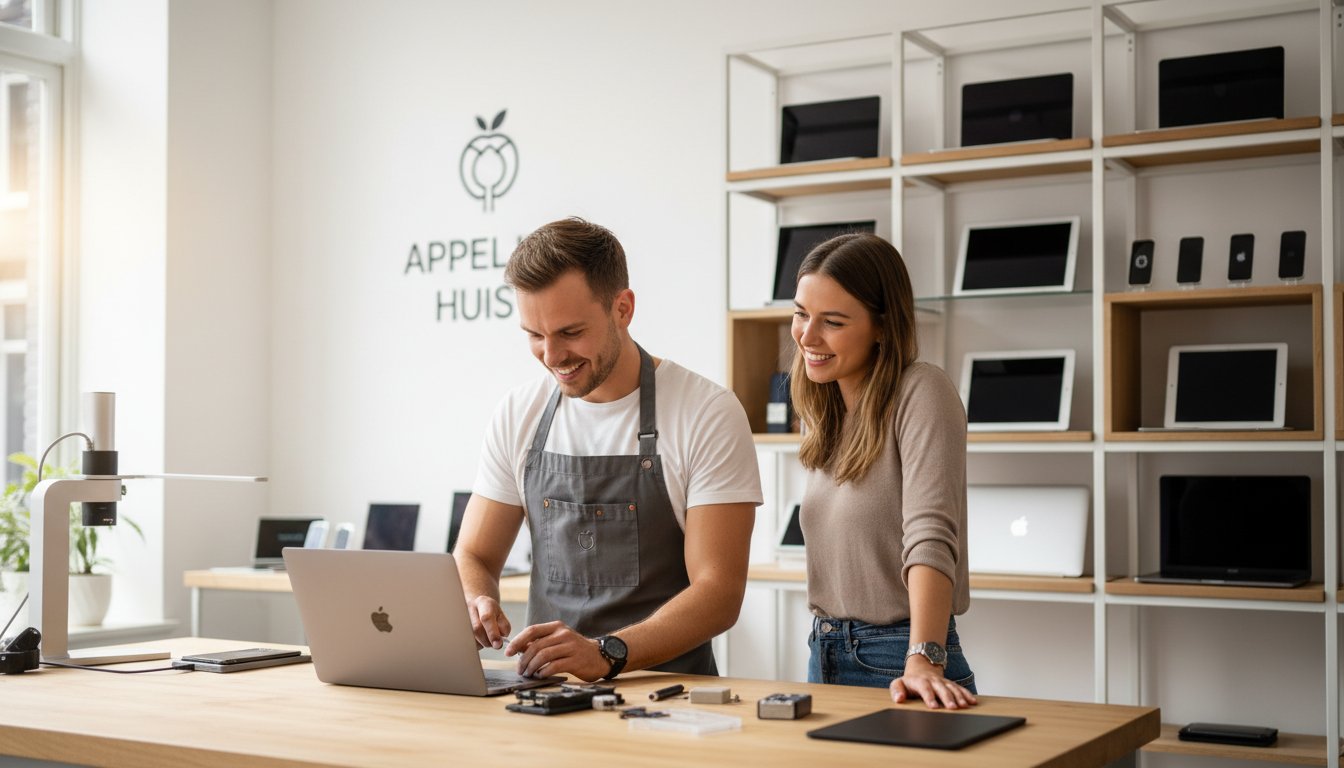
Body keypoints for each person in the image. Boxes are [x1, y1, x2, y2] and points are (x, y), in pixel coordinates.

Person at [455, 216, 762, 682]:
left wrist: (607, 653)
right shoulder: (519, 413)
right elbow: (473, 555)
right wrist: (476, 598)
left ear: (623, 308)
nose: (552, 356)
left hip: (665, 698)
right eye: (535, 336)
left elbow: (719, 593)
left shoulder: (707, 412)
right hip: (545, 696)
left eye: (570, 332)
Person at [789, 232, 977, 710]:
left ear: (882, 325)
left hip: (898, 659)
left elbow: (931, 534)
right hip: (824, 651)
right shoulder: (829, 411)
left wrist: (924, 658)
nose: (808, 336)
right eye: (801, 313)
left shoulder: (922, 391)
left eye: (832, 321)